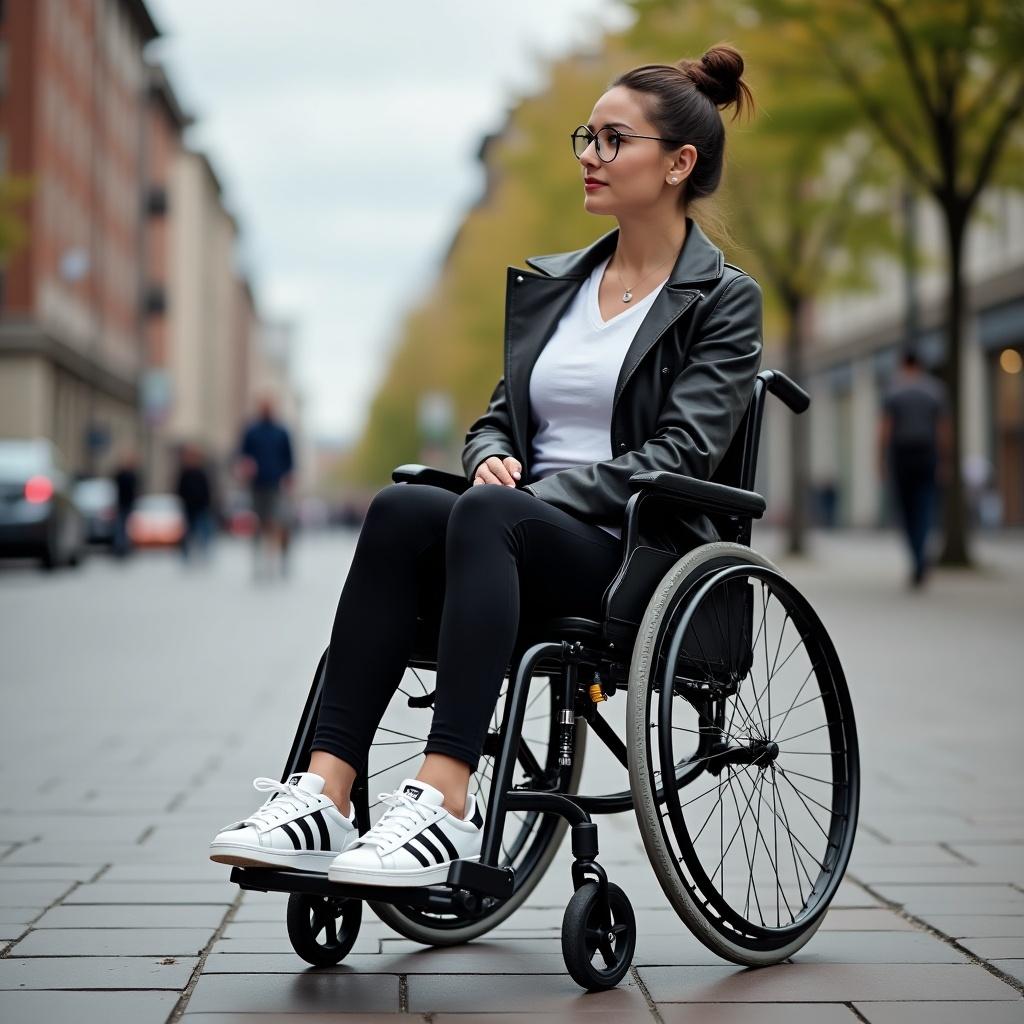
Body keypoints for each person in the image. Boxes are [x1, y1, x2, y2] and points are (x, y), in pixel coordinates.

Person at [210, 46, 764, 885]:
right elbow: (496, 417)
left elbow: (682, 452)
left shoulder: (723, 299)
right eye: (588, 135)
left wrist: (534, 489)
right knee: (400, 509)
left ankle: (447, 799)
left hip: (633, 551)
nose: (588, 154)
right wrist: (493, 453)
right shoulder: (559, 285)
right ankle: (325, 794)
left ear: (678, 163)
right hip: (514, 531)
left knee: (487, 512)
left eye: (614, 140)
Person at [878, 348, 951, 588]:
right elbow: (942, 430)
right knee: (925, 507)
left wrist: (880, 461)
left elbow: (885, 430)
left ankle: (917, 558)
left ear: (903, 364)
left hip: (902, 456)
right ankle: (921, 556)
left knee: (907, 512)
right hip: (927, 455)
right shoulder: (935, 390)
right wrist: (944, 461)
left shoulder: (893, 390)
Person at [237, 396, 294, 579]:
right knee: (258, 522)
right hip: (257, 483)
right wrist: (246, 466)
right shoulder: (252, 431)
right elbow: (243, 454)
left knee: (275, 521)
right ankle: (259, 560)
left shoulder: (281, 431)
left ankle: (274, 559)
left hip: (275, 484)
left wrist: (288, 477)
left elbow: (289, 459)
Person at [175, 442, 215, 564]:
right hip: (188, 507)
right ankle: (186, 556)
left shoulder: (201, 473)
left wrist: (207, 503)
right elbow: (179, 489)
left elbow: (207, 489)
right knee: (187, 532)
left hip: (201, 506)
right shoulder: (184, 473)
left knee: (204, 532)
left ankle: (204, 554)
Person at [111, 448, 140, 559]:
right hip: (121, 503)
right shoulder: (121, 474)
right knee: (120, 526)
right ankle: (120, 547)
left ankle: (125, 547)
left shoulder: (133, 474)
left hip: (128, 503)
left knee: (126, 527)